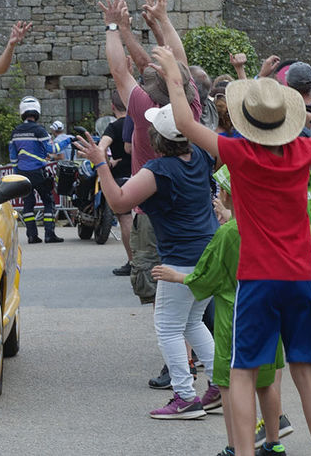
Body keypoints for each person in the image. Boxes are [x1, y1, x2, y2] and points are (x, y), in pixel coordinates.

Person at [154, 45, 311, 456]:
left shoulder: (239, 154)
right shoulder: (301, 154)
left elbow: (184, 121)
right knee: (305, 371)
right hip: (300, 276)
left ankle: (243, 452)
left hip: (257, 279)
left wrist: (172, 74)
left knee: (242, 372)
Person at [75, 104, 218, 420]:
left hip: (179, 258)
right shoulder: (203, 157)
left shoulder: (159, 171)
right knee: (193, 322)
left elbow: (118, 202)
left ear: (156, 138)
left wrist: (101, 164)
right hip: (208, 253)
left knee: (168, 327)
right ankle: (220, 385)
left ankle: (185, 396)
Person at [151, 165, 288, 456]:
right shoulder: (271, 225)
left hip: (236, 321)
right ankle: (274, 444)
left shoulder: (228, 233)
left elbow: (207, 277)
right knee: (266, 384)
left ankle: (234, 446)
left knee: (230, 386)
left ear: (227, 193)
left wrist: (177, 277)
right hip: (270, 317)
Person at [101, 0, 202, 310]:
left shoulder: (144, 108)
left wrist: (113, 27)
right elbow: (180, 60)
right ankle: (193, 343)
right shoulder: (191, 107)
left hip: (149, 212)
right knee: (192, 282)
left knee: (157, 289)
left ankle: (177, 347)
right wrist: (162, 19)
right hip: (192, 208)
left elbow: (119, 71)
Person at [9, 96, 63, 244]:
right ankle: (49, 234)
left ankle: (32, 236)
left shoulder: (15, 132)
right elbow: (53, 149)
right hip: (38, 173)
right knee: (48, 201)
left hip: (22, 174)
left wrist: (16, 174)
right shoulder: (40, 131)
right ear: (37, 111)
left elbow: (13, 158)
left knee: (28, 204)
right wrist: (68, 139)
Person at [99, 90, 134, 276]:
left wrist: (107, 163)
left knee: (125, 218)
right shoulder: (138, 123)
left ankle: (132, 261)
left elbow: (101, 147)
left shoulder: (113, 127)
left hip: (121, 177)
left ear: (113, 106)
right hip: (142, 173)